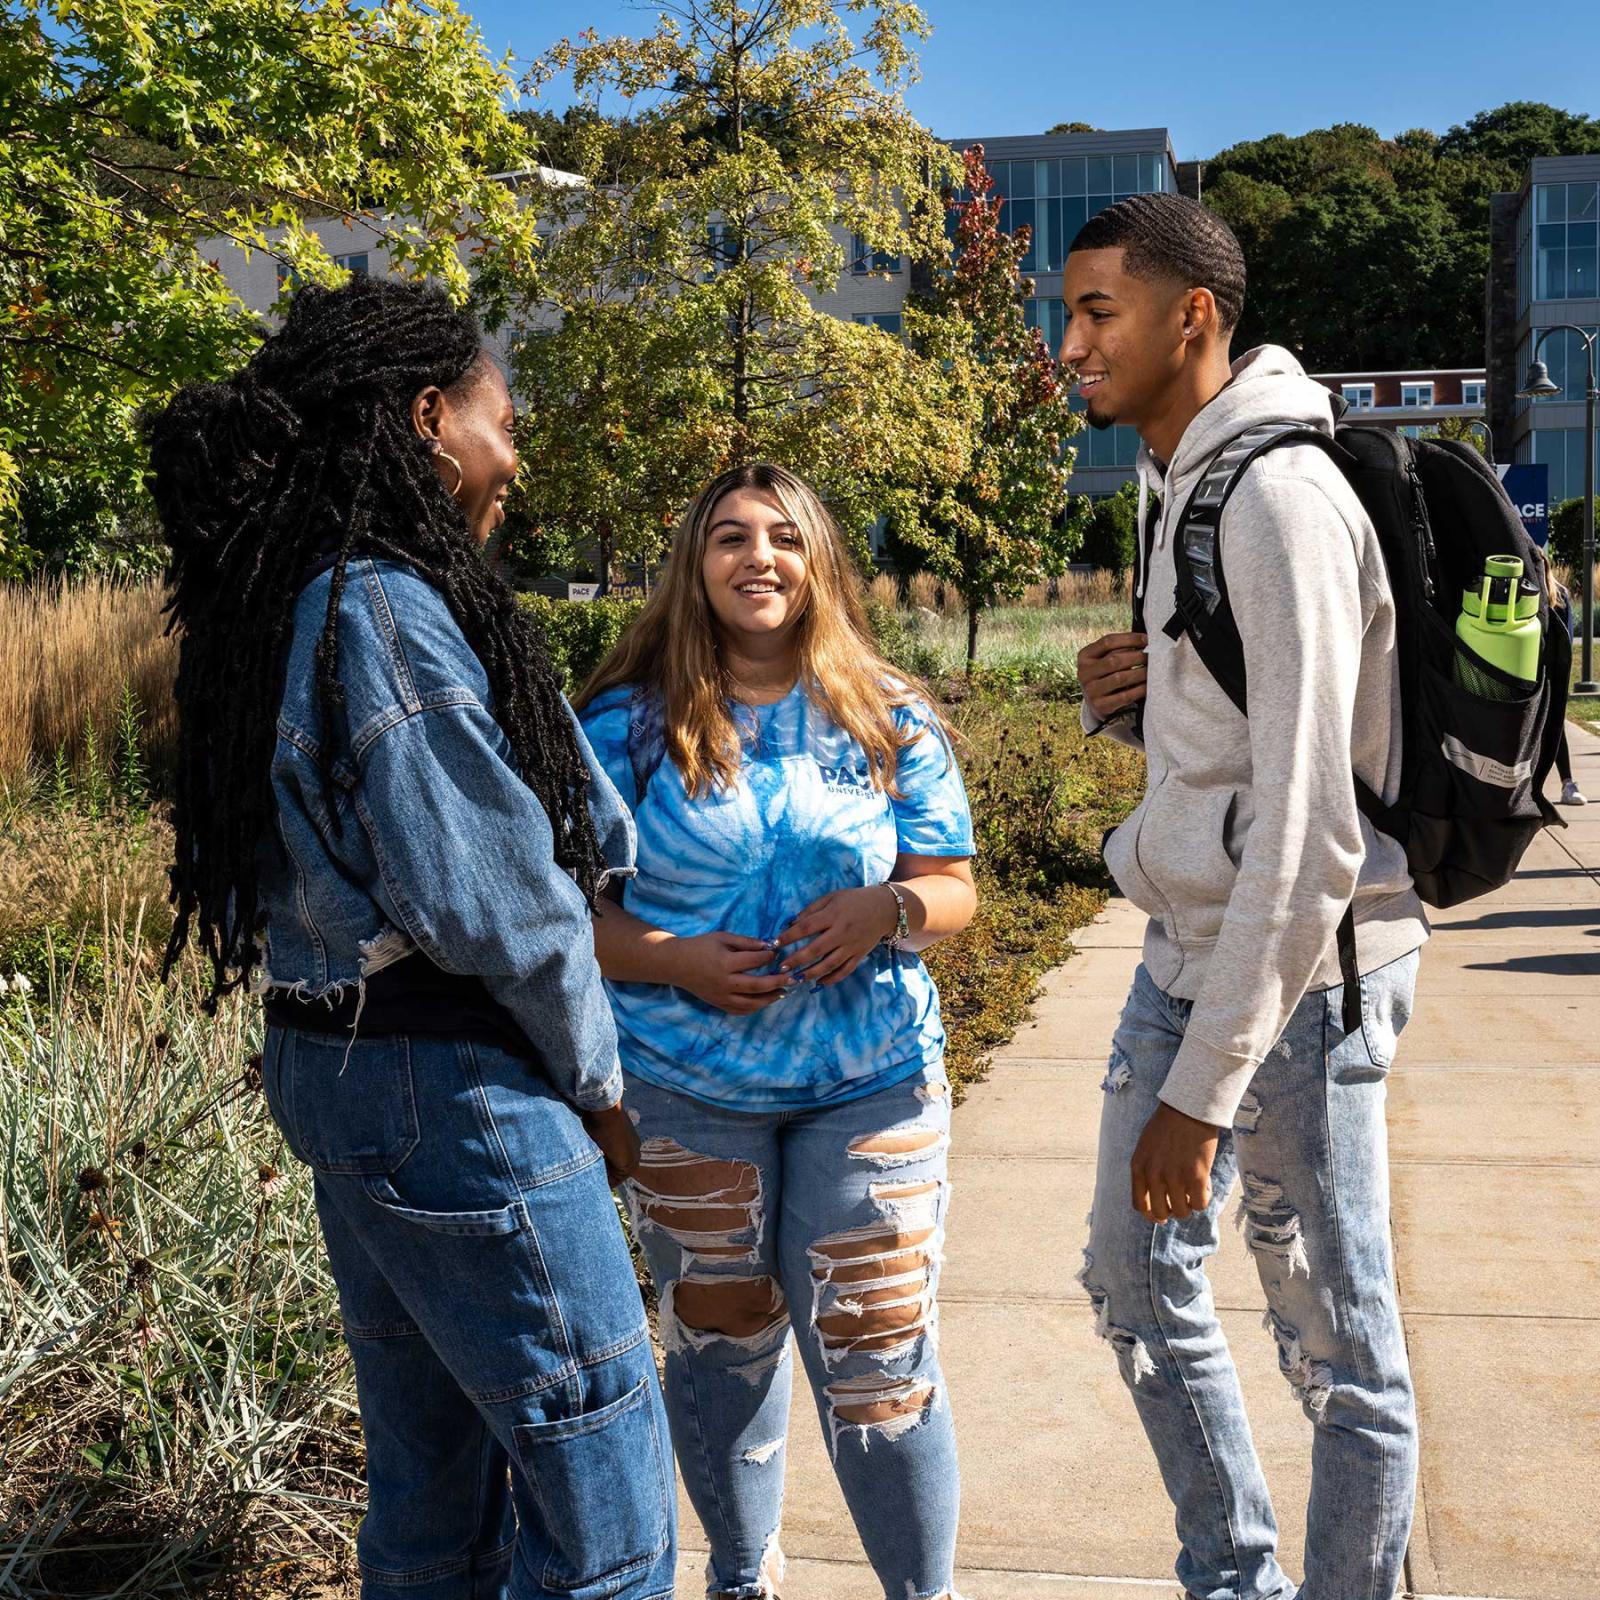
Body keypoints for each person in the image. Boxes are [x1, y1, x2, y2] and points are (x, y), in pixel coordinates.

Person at [146, 277, 676, 1600]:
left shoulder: (309, 598)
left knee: (438, 1502)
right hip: (453, 1084)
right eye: (507, 420)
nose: (519, 456)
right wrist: (605, 1090)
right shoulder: (381, 604)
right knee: (607, 1517)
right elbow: (492, 902)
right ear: (432, 418)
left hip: (362, 1068)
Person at [1064, 194, 1428, 1600]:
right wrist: (1141, 717)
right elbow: (1243, 754)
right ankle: (1237, 1574)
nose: (1071, 343)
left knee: (1343, 1357)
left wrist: (1203, 1090)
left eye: (1099, 311)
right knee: (1132, 1280)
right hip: (1193, 951)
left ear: (1190, 317)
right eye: (1069, 311)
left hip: (1306, 976)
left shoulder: (1278, 496)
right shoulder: (1180, 485)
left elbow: (1313, 832)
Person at [572, 462, 977, 1600]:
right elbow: (567, 908)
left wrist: (887, 907)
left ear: (818, 564)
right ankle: (742, 1579)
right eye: (731, 538)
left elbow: (952, 887)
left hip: (872, 1082)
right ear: (694, 567)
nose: (760, 558)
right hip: (684, 1089)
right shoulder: (625, 722)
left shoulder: (886, 711)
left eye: (784, 539)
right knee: (721, 1347)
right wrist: (671, 959)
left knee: (878, 1354)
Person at [1544, 567, 1586, 805]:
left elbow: (1566, 641)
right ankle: (1567, 783)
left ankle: (1567, 782)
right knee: (1554, 728)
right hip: (1549, 670)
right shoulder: (1557, 594)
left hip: (1545, 670)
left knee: (1554, 728)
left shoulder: (1557, 594)